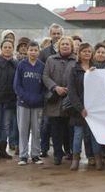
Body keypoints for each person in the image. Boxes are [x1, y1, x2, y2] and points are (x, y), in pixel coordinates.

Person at [69, 43, 104, 171]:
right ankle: (75, 159)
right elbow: (72, 92)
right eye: (84, 51)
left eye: (89, 51)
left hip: (93, 109)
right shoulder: (74, 70)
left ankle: (98, 157)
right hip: (79, 109)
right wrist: (80, 108)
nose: (87, 53)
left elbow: (100, 89)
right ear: (79, 53)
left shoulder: (96, 69)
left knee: (94, 135)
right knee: (78, 135)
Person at [43, 36, 77, 165]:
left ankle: (70, 151)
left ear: (71, 46)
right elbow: (45, 76)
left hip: (71, 100)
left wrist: (70, 89)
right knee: (56, 129)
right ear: (58, 46)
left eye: (67, 44)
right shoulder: (51, 60)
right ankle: (58, 154)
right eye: (62, 44)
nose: (65, 46)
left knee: (70, 129)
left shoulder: (76, 60)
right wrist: (55, 87)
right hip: (54, 99)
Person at [13, 41, 45, 165]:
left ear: (38, 51)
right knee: (23, 130)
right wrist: (24, 97)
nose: (33, 52)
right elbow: (17, 85)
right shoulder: (21, 65)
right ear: (27, 51)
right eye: (31, 50)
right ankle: (23, 156)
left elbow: (44, 85)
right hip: (23, 103)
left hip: (37, 103)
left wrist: (40, 97)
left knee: (37, 130)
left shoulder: (41, 66)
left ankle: (36, 155)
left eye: (35, 50)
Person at [39, 23, 64, 158]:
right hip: (49, 93)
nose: (56, 36)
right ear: (50, 35)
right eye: (54, 33)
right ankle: (44, 148)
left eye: (58, 33)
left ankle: (60, 151)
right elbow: (42, 74)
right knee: (46, 123)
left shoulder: (67, 50)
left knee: (61, 125)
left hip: (64, 93)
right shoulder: (44, 53)